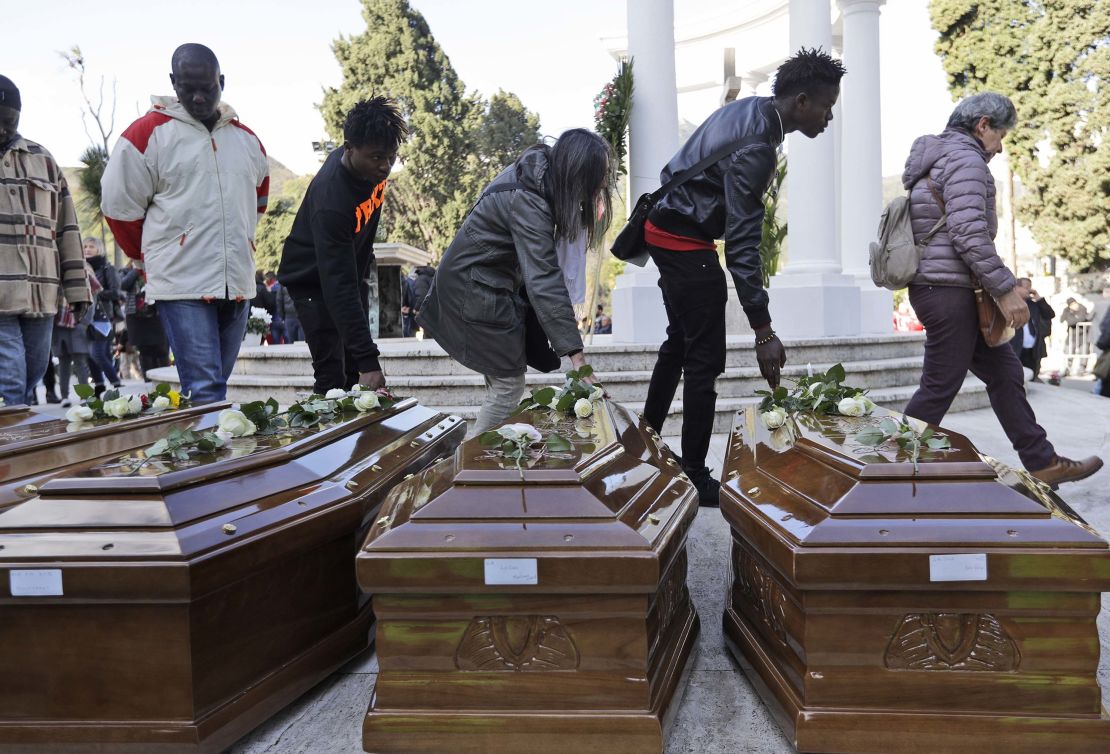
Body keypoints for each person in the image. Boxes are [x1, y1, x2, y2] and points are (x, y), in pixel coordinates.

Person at [642, 48, 843, 504]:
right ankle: (692, 472)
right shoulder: (758, 149)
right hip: (682, 240)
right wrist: (763, 330)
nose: (829, 117)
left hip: (666, 225)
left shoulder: (748, 109)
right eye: (827, 106)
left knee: (680, 343)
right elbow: (744, 243)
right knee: (704, 359)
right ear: (802, 101)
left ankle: (646, 445)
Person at [901, 92, 1100, 488]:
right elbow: (968, 232)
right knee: (940, 386)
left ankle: (1042, 461)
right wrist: (1006, 289)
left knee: (1006, 372)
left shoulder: (940, 156)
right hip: (948, 290)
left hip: (944, 288)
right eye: (1000, 134)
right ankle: (886, 468)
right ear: (982, 125)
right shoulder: (966, 160)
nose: (1001, 145)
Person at [102, 43, 269, 403]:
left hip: (236, 279)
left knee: (214, 384)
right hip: (181, 283)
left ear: (221, 81)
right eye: (186, 87)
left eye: (206, 88)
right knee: (207, 387)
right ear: (172, 83)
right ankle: (212, 457)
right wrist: (152, 257)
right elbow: (119, 209)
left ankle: (199, 452)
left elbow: (257, 204)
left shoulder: (247, 140)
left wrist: (239, 243)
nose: (196, 97)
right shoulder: (146, 135)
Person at [419, 129, 612, 433]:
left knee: (502, 383)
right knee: (507, 386)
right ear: (578, 174)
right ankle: (472, 470)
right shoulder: (529, 198)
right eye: (596, 180)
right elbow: (543, 277)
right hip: (473, 291)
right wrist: (577, 356)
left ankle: (484, 466)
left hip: (486, 288)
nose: (601, 186)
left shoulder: (537, 179)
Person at [278, 97, 406, 393]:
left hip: (346, 273)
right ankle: (319, 437)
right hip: (310, 282)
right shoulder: (331, 200)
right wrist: (370, 363)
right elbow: (337, 285)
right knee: (332, 377)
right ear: (349, 148)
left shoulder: (371, 169)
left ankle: (358, 437)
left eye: (391, 156)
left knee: (352, 372)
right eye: (377, 157)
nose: (386, 167)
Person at [0, 74, 91, 406]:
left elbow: (67, 229)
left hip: (42, 292)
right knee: (10, 377)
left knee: (32, 372)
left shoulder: (43, 159)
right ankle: (15, 445)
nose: (2, 130)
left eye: (8, 122)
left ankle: (13, 445)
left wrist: (77, 289)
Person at [83, 237, 123, 395]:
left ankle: (115, 381)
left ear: (98, 248)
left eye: (91, 246)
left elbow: (115, 292)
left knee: (98, 353)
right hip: (86, 315)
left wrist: (95, 293)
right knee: (89, 353)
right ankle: (99, 384)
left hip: (103, 316)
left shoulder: (107, 268)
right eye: (85, 246)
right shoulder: (80, 267)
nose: (87, 249)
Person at [120, 263, 170, 379]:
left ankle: (165, 380)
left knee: (161, 349)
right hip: (136, 316)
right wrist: (137, 269)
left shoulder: (156, 264)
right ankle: (148, 381)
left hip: (156, 314)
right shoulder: (126, 271)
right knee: (144, 350)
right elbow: (123, 284)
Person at [1008, 277, 1054, 382]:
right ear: (1016, 288)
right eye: (1026, 287)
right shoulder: (1010, 304)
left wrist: (1038, 298)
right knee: (1015, 377)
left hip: (1033, 350)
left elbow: (1049, 314)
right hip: (1016, 348)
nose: (1030, 290)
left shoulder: (1033, 305)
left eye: (1030, 287)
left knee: (1032, 377)